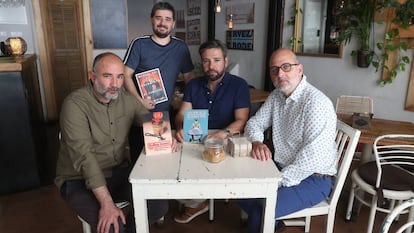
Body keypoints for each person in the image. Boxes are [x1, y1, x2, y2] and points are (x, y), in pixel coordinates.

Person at [55, 52, 169, 233]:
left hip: (118, 172)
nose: (115, 84)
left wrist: (171, 136)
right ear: (92, 76)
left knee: (158, 205)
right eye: (107, 76)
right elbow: (85, 158)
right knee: (113, 226)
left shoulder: (126, 99)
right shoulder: (74, 104)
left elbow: (153, 121)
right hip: (78, 179)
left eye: (120, 77)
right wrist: (107, 204)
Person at [238, 48, 337, 233]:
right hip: (281, 167)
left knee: (261, 209)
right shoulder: (277, 95)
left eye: (286, 67)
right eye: (274, 69)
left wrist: (275, 181)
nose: (280, 74)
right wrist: (257, 142)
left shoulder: (316, 103)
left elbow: (311, 160)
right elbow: (255, 123)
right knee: (238, 189)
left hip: (314, 179)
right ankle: (271, 226)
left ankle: (264, 221)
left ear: (299, 69)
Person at [174, 39, 251, 223]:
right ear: (201, 63)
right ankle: (197, 202)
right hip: (196, 137)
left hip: (226, 137)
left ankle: (202, 199)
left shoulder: (239, 85)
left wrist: (222, 133)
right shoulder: (193, 85)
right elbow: (182, 114)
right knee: (175, 172)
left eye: (216, 60)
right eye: (206, 61)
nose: (211, 66)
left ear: (226, 60)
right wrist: (179, 127)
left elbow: (242, 120)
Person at [123, 1, 194, 111]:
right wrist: (140, 101)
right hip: (139, 111)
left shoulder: (181, 47)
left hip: (166, 112)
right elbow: (125, 74)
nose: (162, 23)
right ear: (151, 20)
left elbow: (189, 78)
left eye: (167, 19)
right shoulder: (139, 44)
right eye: (158, 18)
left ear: (173, 23)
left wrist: (188, 102)